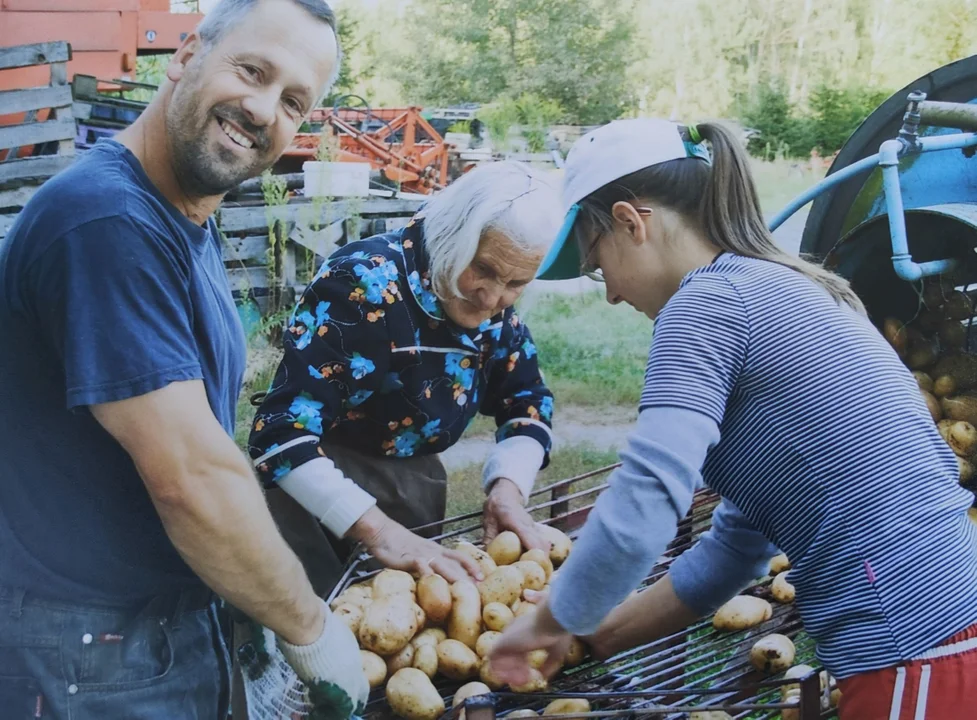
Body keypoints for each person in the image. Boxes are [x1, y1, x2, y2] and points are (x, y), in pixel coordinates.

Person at [487, 118, 977, 720]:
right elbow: (736, 549)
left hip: (920, 652)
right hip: (940, 642)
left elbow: (647, 497)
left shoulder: (705, 305)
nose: (610, 292)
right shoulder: (781, 288)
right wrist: (590, 636)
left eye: (596, 263)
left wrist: (547, 619)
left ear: (629, 222)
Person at [0, 1, 370, 718]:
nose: (263, 109)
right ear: (185, 56)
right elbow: (191, 479)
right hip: (89, 646)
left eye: (294, 100)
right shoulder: (106, 222)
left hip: (146, 627)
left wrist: (247, 594)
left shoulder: (178, 217)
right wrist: (307, 625)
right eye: (251, 70)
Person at [246, 161, 563, 599]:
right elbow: (279, 436)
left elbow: (527, 403)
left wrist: (507, 491)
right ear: (453, 236)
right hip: (314, 489)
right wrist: (380, 532)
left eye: (515, 282)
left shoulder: (498, 313)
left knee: (396, 625)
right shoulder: (364, 283)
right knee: (314, 625)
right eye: (484, 270)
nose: (492, 298)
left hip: (412, 486)